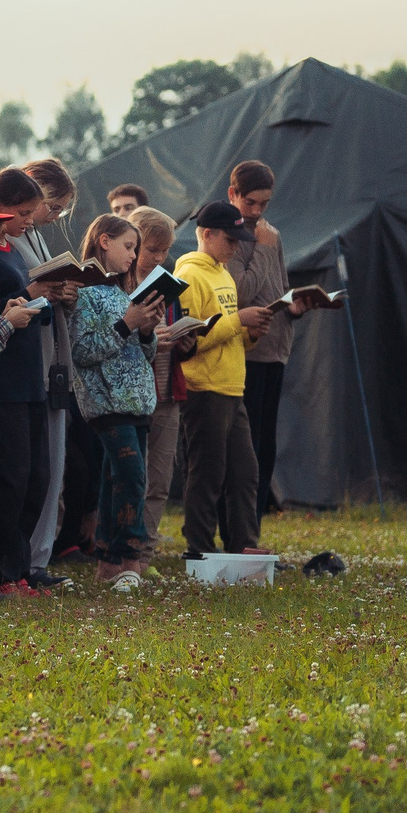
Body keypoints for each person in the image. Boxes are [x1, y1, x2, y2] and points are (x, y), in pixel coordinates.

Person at [70, 213, 172, 590]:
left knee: (116, 478)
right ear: (103, 242)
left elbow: (144, 353)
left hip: (137, 402)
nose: (134, 256)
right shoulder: (84, 292)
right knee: (132, 477)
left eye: (136, 248)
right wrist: (127, 324)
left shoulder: (123, 293)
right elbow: (82, 351)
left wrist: (146, 330)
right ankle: (129, 557)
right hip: (107, 403)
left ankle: (109, 564)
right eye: (129, 247)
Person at [0, 167, 53, 594]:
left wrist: (45, 298)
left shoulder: (14, 252)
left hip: (29, 377)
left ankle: (19, 569)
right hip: (1, 378)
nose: (28, 220)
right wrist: (16, 306)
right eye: (22, 212)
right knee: (8, 477)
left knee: (36, 477)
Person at [176, 199, 271, 559]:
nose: (235, 246)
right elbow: (190, 341)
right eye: (229, 240)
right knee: (207, 474)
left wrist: (252, 332)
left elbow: (229, 333)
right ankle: (198, 550)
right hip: (204, 389)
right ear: (206, 234)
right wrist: (238, 322)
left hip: (232, 387)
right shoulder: (189, 276)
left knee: (246, 475)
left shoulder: (223, 273)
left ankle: (244, 547)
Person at [223, 159, 314, 518]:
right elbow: (241, 295)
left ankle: (253, 532)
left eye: (264, 204)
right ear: (233, 194)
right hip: (246, 355)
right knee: (245, 449)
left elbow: (277, 288)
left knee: (265, 447)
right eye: (251, 203)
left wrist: (295, 307)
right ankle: (236, 533)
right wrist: (260, 247)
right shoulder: (226, 236)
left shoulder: (270, 234)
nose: (257, 211)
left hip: (275, 352)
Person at [14, 158, 81, 586]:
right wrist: (43, 291)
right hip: (26, 362)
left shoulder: (35, 237)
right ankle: (23, 560)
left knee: (52, 465)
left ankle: (39, 557)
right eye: (51, 207)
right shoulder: (8, 237)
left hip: (52, 360)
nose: (52, 217)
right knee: (29, 466)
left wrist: (66, 292)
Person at [122, 206, 185, 550]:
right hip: (131, 395)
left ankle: (144, 550)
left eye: (164, 251)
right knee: (131, 477)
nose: (158, 258)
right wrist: (150, 334)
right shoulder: (118, 284)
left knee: (160, 478)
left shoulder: (166, 285)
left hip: (165, 391)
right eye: (151, 250)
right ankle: (121, 549)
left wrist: (185, 340)